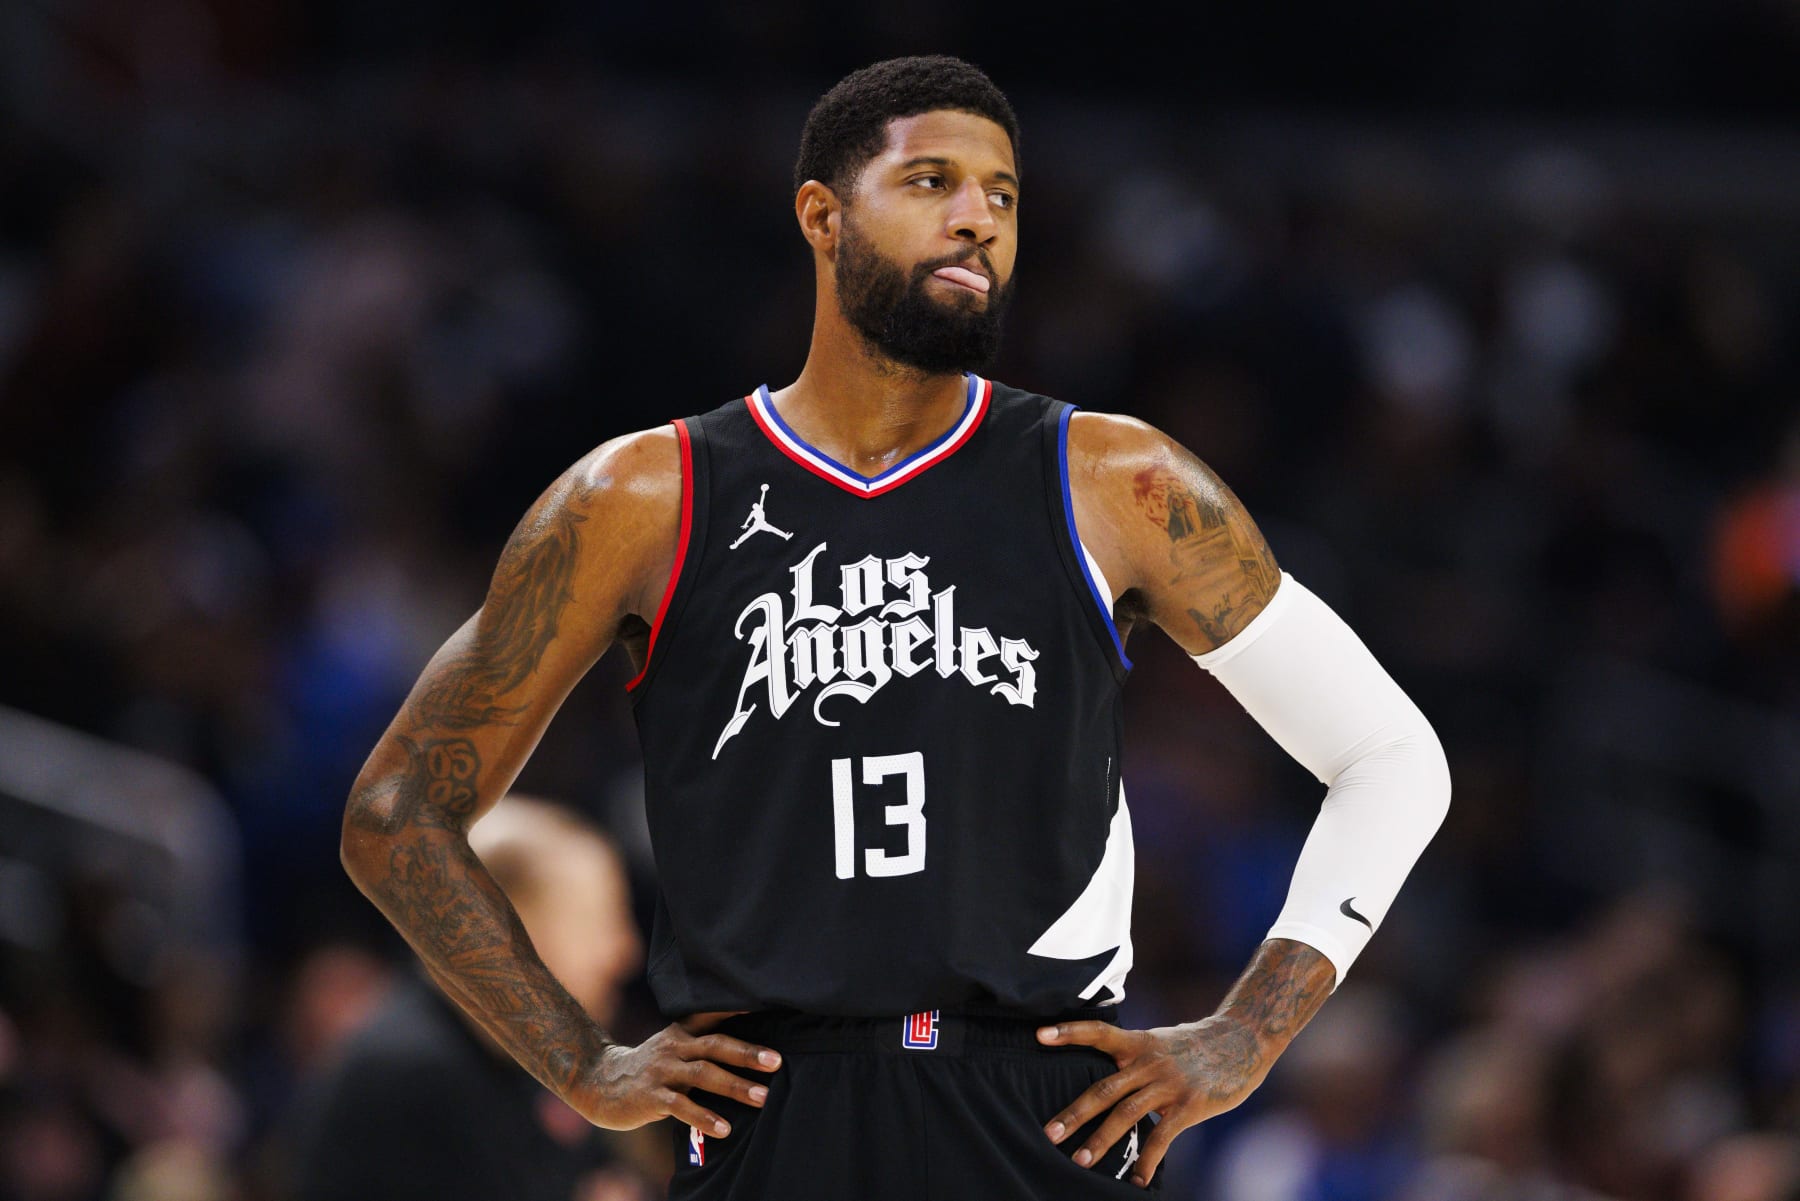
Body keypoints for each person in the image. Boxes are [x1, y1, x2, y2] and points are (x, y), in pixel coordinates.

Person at [339, 55, 1451, 1198]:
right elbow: (396, 810)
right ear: (823, 214)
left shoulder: (1117, 481)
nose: (978, 219)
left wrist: (1246, 1034)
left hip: (1043, 1110)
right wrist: (582, 1062)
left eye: (1004, 196)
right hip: (772, 1112)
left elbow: (1392, 756)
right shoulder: (642, 499)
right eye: (932, 182)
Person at [297, 797, 648, 1201]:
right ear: (508, 925)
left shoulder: (531, 1056)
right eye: (599, 922)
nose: (624, 954)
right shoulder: (413, 1074)